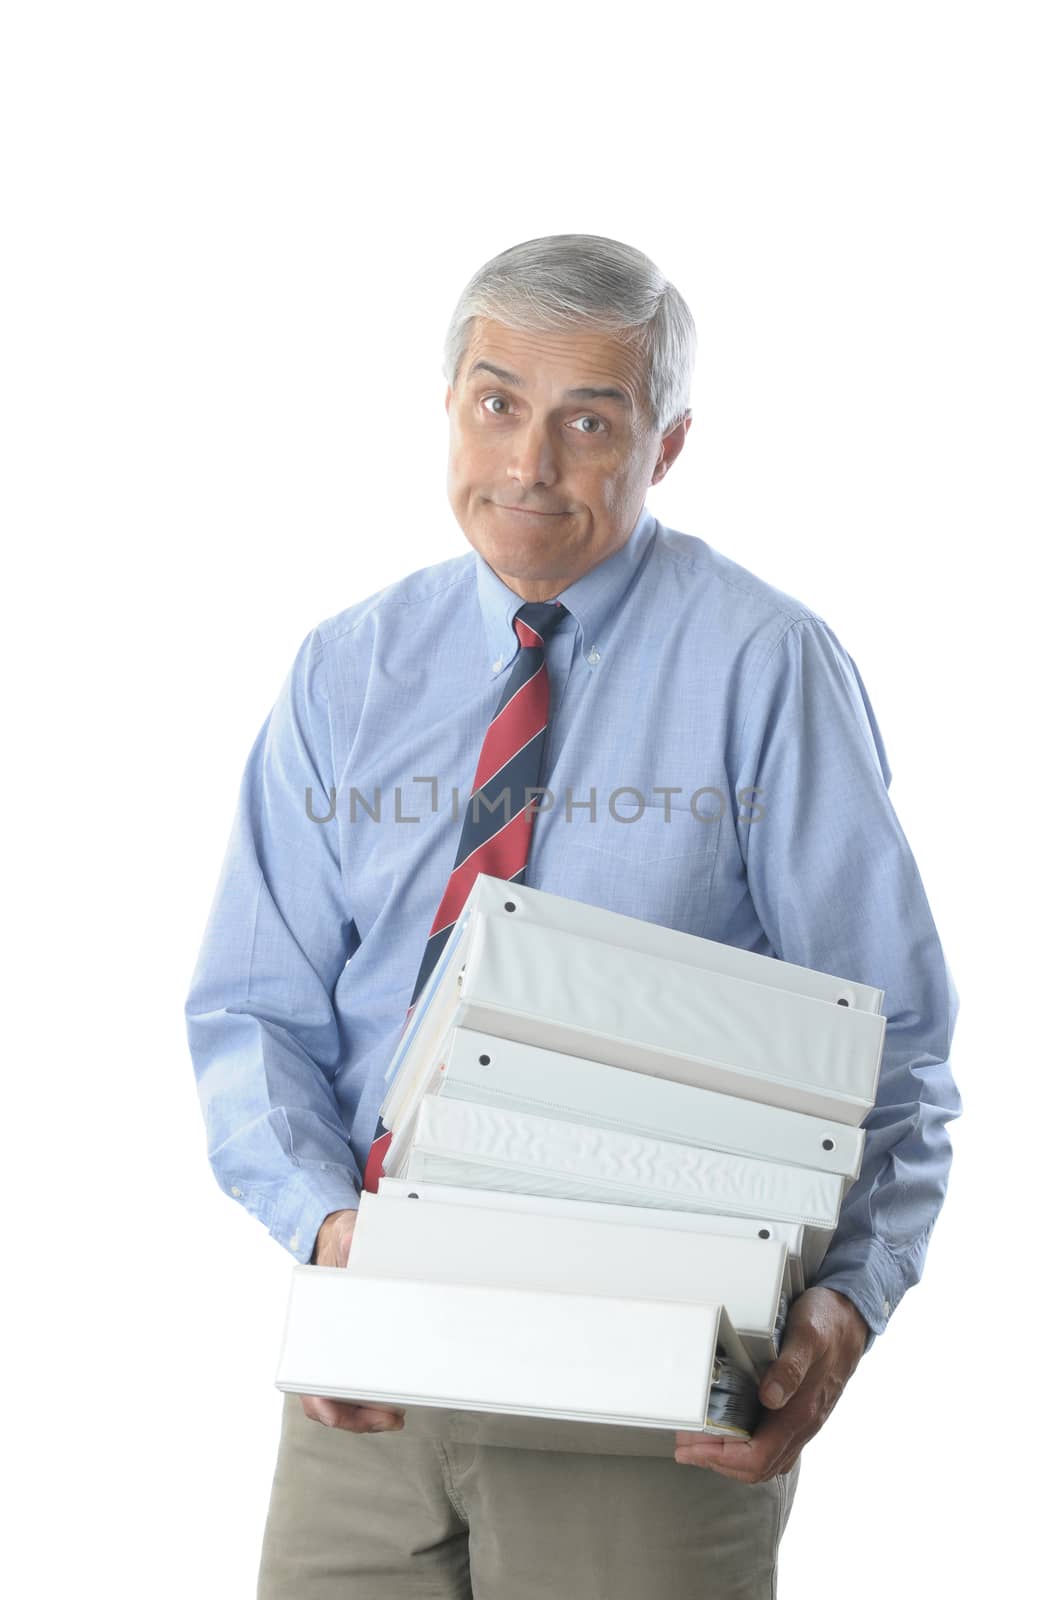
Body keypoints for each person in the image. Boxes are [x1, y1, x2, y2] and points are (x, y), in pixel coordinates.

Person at [185, 233, 961, 1599]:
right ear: (449, 410)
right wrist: (328, 1231)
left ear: (664, 448)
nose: (532, 465)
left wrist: (844, 1311)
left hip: (652, 1390)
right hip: (370, 1379)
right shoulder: (345, 673)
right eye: (499, 406)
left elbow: (889, 1051)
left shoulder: (766, 669)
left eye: (589, 422)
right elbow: (254, 1010)